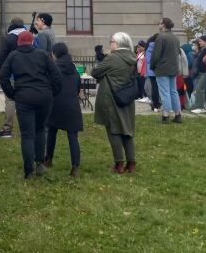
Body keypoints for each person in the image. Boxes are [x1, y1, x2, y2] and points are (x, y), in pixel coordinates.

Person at [0, 29, 62, 179]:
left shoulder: (13, 56)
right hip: (44, 96)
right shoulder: (42, 55)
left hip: (23, 97)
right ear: (32, 41)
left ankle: (28, 170)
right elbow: (56, 75)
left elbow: (3, 76)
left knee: (27, 135)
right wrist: (52, 92)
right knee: (40, 130)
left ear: (19, 42)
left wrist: (12, 94)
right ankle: (39, 164)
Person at [91, 32, 137, 173]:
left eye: (112, 41)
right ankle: (131, 162)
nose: (110, 43)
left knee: (114, 130)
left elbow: (95, 72)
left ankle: (119, 164)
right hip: (127, 97)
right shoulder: (132, 57)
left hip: (111, 98)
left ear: (118, 44)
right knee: (127, 130)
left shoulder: (113, 58)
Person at [45, 43, 83, 177]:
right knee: (73, 136)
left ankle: (48, 159)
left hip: (55, 103)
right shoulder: (73, 69)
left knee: (51, 132)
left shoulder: (53, 68)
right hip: (72, 105)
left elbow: (49, 84)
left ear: (55, 54)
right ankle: (75, 167)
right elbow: (78, 87)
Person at [0, 17, 30, 138]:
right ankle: (27, 128)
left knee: (10, 100)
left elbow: (1, 58)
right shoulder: (30, 36)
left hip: (12, 74)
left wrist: (3, 71)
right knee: (26, 101)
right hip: (29, 74)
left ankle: (7, 129)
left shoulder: (8, 38)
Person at [150, 17, 183, 124]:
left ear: (163, 25)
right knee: (173, 91)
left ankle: (166, 115)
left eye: (159, 23)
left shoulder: (161, 37)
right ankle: (178, 115)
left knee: (165, 93)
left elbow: (155, 55)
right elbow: (178, 53)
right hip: (173, 68)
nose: (158, 25)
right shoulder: (176, 38)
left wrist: (152, 66)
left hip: (162, 68)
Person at [190, 35, 206, 113]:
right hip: (201, 72)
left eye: (200, 41)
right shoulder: (203, 49)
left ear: (205, 41)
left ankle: (199, 106)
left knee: (199, 88)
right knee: (205, 90)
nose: (199, 42)